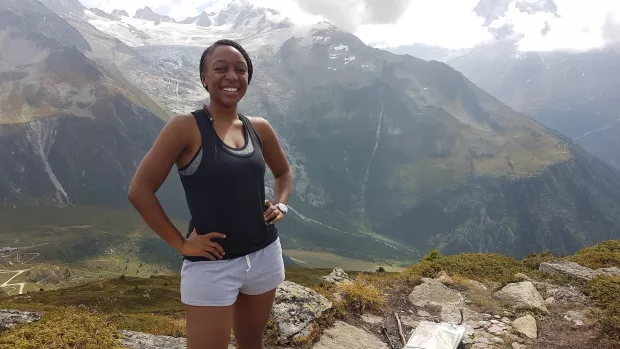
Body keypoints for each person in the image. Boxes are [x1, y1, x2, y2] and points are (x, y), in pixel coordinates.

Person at [127, 39, 293, 349]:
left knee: (251, 342)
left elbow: (283, 173)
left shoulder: (259, 128)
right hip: (212, 264)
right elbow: (140, 191)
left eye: (240, 70)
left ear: (248, 78)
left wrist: (282, 204)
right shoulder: (185, 128)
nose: (232, 76)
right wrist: (180, 243)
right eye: (220, 68)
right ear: (204, 78)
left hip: (265, 255)